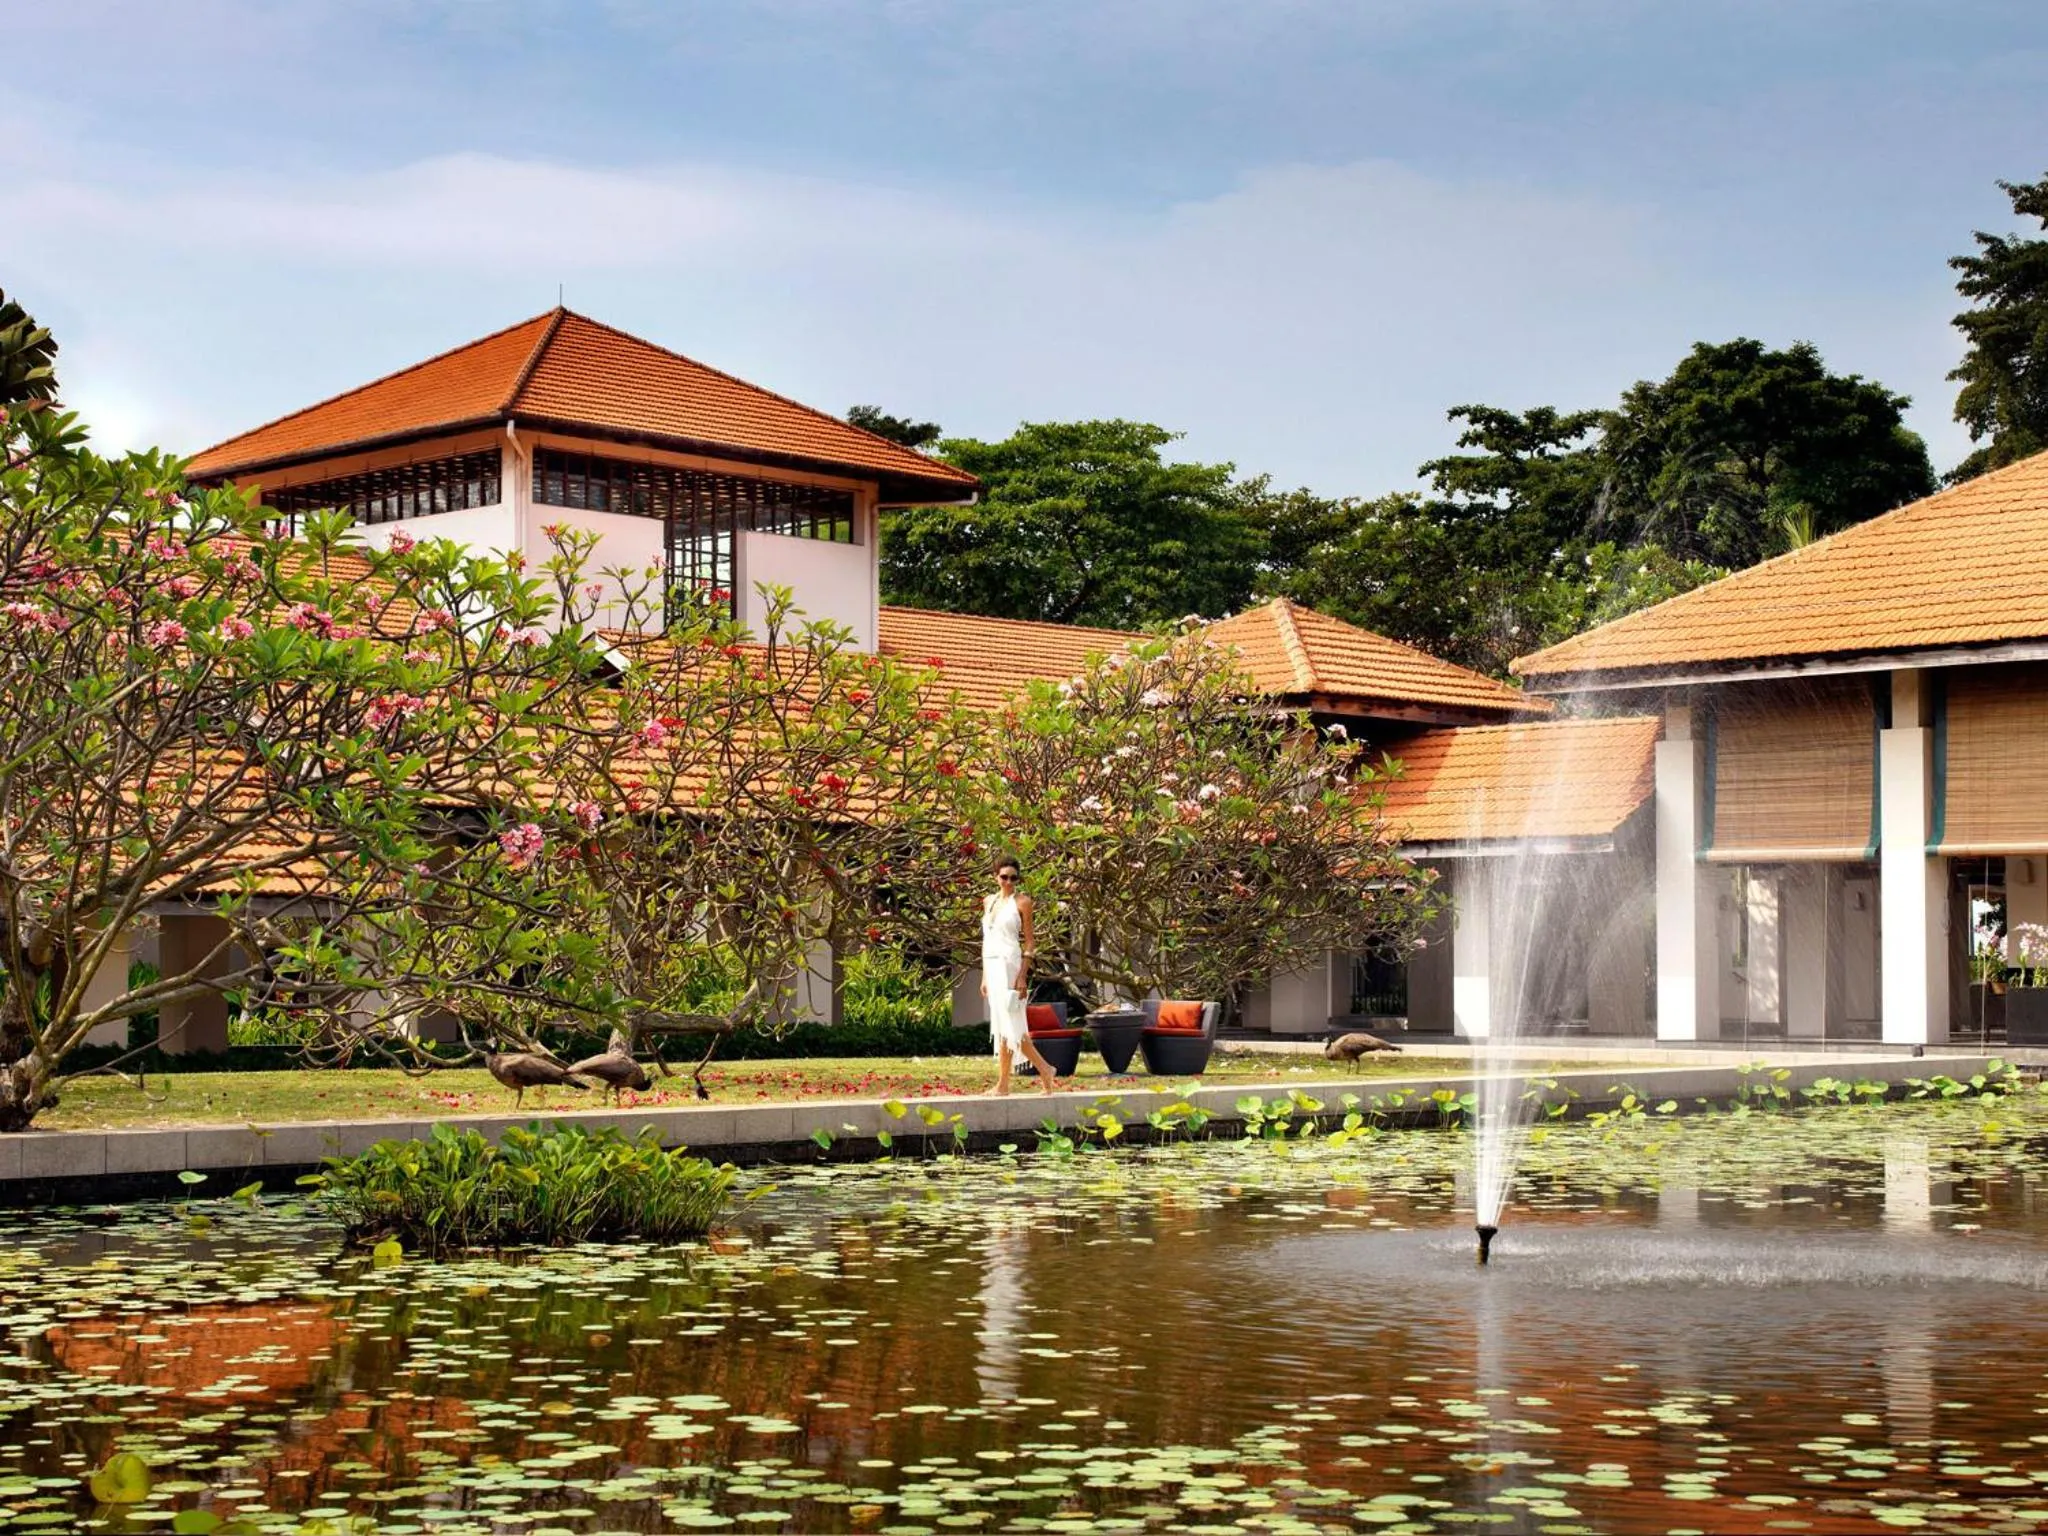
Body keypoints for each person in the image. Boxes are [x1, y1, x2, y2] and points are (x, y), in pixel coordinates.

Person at [981, 857, 1060, 1095]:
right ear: (996, 876)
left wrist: (1022, 975)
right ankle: (1004, 1084)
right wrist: (984, 975)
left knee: (1012, 1026)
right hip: (992, 965)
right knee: (1003, 1026)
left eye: (1013, 878)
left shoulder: (1023, 902)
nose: (1008, 882)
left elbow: (1029, 942)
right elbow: (986, 940)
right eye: (1004, 877)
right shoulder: (988, 901)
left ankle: (1044, 1069)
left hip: (1010, 964)